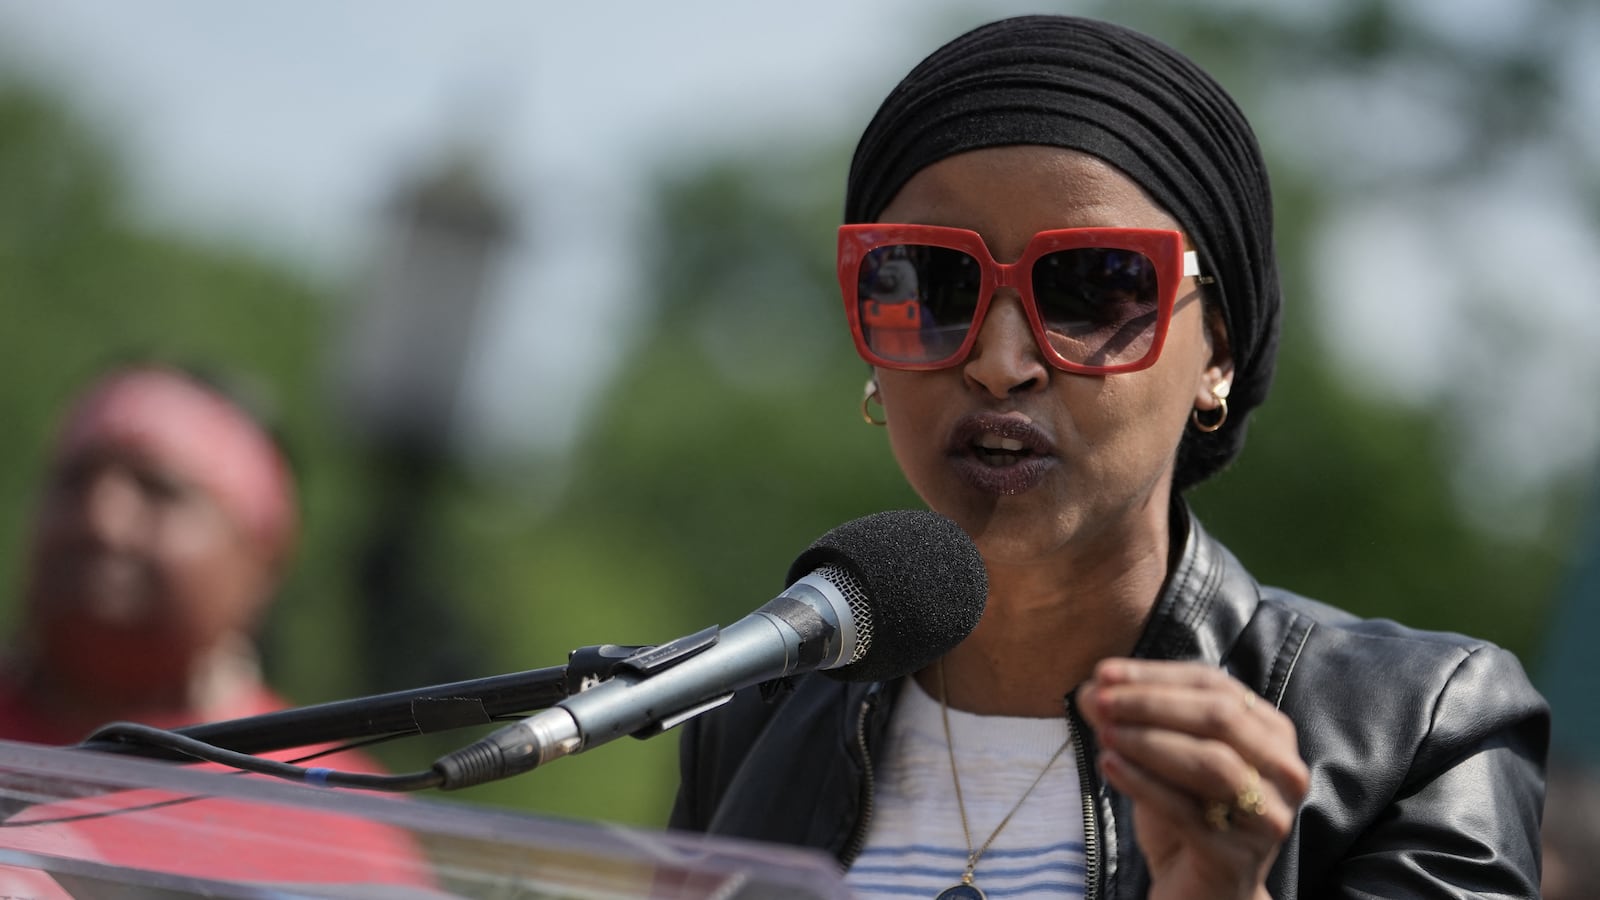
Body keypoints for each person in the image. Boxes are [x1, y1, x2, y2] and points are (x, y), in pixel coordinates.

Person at [669, 15, 1548, 899]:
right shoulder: (751, 726)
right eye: (931, 283)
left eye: (1095, 288)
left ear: (1219, 354)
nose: (1001, 364)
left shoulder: (1417, 735)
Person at [0, 360, 432, 890]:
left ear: (260, 563)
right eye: (74, 479)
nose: (100, 519)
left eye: (158, 490)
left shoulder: (338, 812)